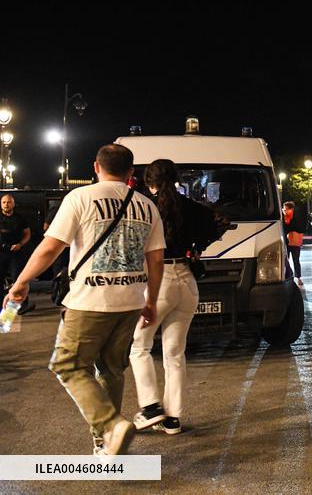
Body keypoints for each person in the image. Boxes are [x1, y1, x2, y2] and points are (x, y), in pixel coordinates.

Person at [2, 144, 165, 454]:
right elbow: (156, 260)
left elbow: (51, 248)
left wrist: (22, 281)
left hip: (90, 300)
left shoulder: (79, 198)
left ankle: (111, 426)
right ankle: (106, 444)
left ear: (95, 166)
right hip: (130, 300)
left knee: (68, 365)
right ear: (131, 173)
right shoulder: (147, 205)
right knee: (112, 370)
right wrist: (151, 301)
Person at [131, 159, 223, 436]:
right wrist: (196, 249)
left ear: (150, 181)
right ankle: (173, 419)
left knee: (139, 347)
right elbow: (219, 223)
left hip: (160, 281)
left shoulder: (146, 206)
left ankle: (150, 407)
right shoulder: (192, 207)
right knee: (175, 353)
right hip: (187, 282)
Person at [0, 193, 34, 314]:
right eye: (3, 202)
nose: (6, 205)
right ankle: (2, 307)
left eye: (9, 202)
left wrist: (20, 244)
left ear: (13, 204)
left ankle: (21, 306)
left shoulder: (20, 218)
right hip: (1, 253)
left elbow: (27, 234)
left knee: (19, 279)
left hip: (16, 253)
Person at [282, 201, 304, 283]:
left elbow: (297, 227)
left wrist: (288, 219)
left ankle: (298, 277)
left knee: (296, 260)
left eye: (287, 209)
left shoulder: (296, 217)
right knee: (285, 260)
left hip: (295, 241)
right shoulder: (283, 217)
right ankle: (288, 275)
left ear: (292, 209)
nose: (285, 210)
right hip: (286, 242)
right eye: (284, 209)